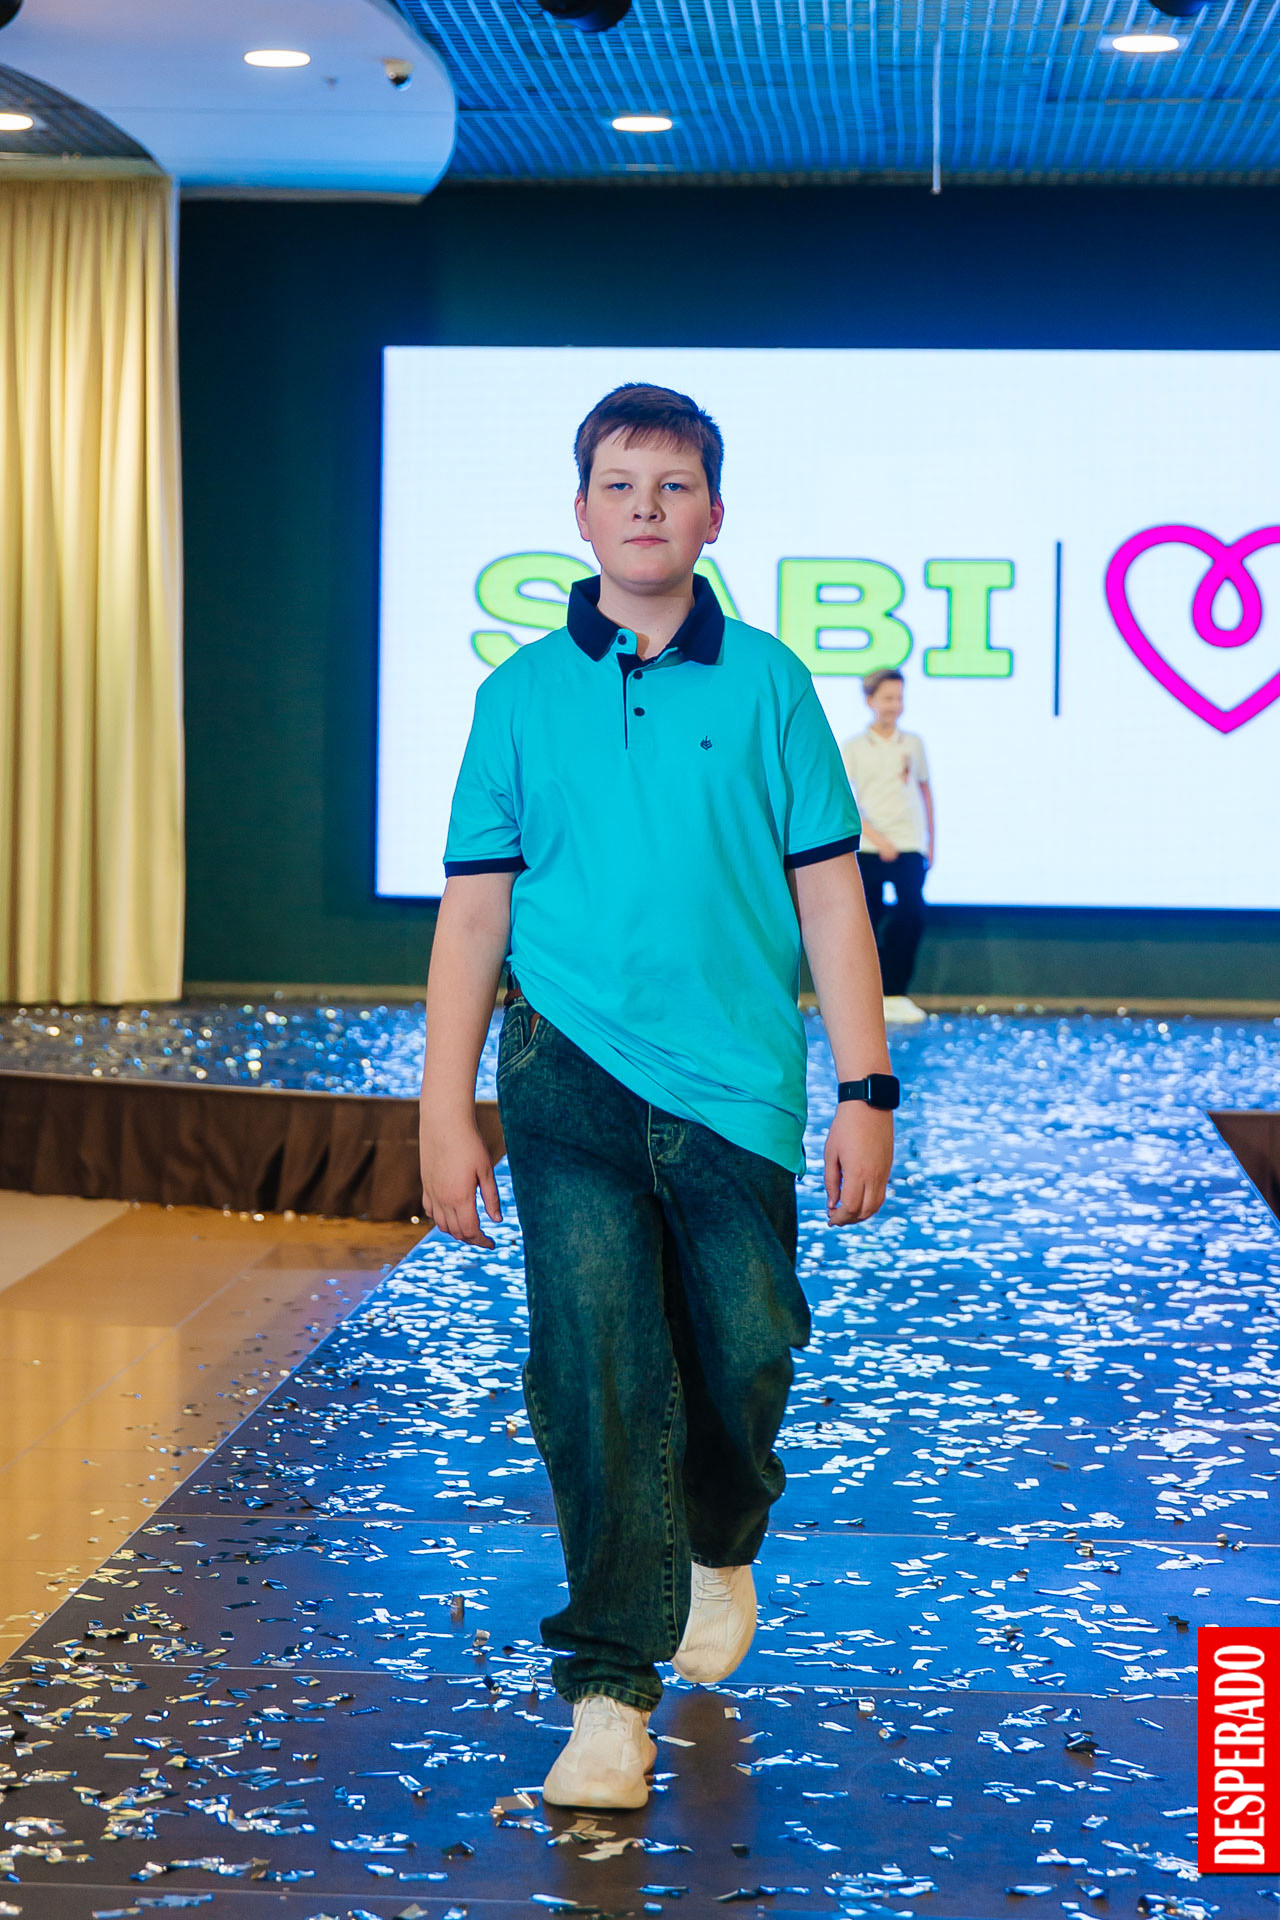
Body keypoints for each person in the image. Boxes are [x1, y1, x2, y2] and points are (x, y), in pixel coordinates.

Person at [418, 383, 896, 1812]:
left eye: (672, 485)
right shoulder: (516, 697)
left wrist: (865, 1087)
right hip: (561, 1074)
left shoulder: (770, 685)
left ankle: (720, 1536)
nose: (645, 507)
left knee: (747, 1352)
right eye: (619, 485)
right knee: (595, 1370)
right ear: (580, 514)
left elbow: (831, 898)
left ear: (714, 515)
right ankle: (608, 1697)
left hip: (735, 1087)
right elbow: (471, 916)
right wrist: (443, 1110)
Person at [840, 668, 934, 1025]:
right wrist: (878, 839)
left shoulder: (912, 743)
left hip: (909, 843)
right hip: (869, 846)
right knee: (869, 918)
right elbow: (845, 800)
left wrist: (930, 841)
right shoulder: (854, 747)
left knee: (912, 914)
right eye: (887, 698)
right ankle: (870, 994)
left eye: (899, 697)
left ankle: (895, 992)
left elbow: (924, 791)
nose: (895, 705)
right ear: (870, 701)